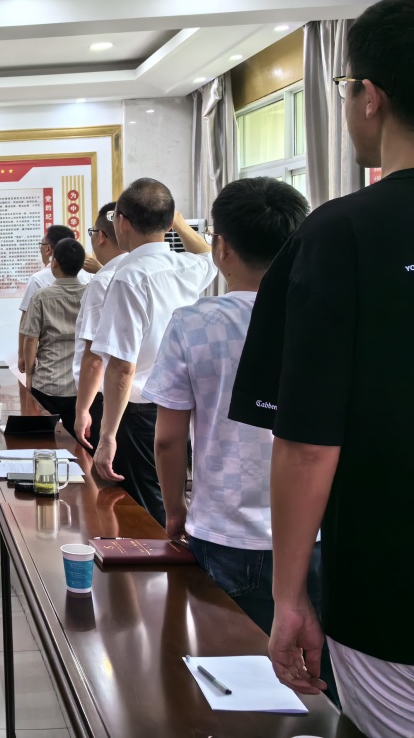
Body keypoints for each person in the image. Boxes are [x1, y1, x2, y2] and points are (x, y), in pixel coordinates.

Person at [229, 0, 414, 737]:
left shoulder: (342, 235)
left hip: (390, 594)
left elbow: (307, 444)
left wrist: (289, 596)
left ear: (370, 96)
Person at [145, 178, 315, 634]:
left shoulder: (193, 323)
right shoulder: (322, 320)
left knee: (224, 660)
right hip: (313, 534)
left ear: (221, 248)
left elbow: (167, 439)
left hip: (223, 530)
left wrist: (175, 511)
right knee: (311, 665)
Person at [88, 179, 216, 526]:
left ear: (122, 222)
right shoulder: (187, 267)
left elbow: (122, 366)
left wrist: (107, 436)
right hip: (183, 407)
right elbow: (208, 253)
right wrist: (178, 223)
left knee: (144, 507)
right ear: (168, 222)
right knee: (172, 498)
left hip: (140, 413)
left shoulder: (128, 277)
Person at [19, 237, 87, 439]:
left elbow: (30, 340)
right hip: (81, 385)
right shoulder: (91, 293)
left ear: (54, 262)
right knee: (79, 442)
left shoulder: (42, 296)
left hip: (47, 383)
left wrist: (29, 377)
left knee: (44, 441)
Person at [72, 202, 126, 450]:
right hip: (153, 403)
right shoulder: (161, 271)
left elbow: (95, 357)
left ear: (101, 236)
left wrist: (82, 409)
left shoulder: (103, 281)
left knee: (102, 470)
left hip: (106, 397)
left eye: (92, 232)